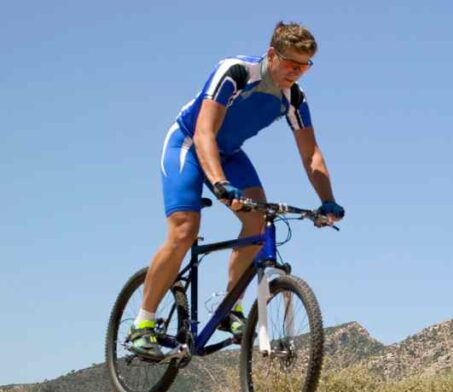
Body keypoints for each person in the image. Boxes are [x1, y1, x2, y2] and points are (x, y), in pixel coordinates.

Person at [129, 22, 344, 360]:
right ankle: (142, 324)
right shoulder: (236, 72)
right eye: (291, 63)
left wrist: (327, 200)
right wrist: (218, 184)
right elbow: (203, 132)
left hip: (229, 154)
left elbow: (311, 154)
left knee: (257, 222)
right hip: (188, 144)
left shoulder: (295, 98)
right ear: (272, 54)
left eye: (305, 66)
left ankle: (231, 308)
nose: (297, 72)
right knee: (185, 229)